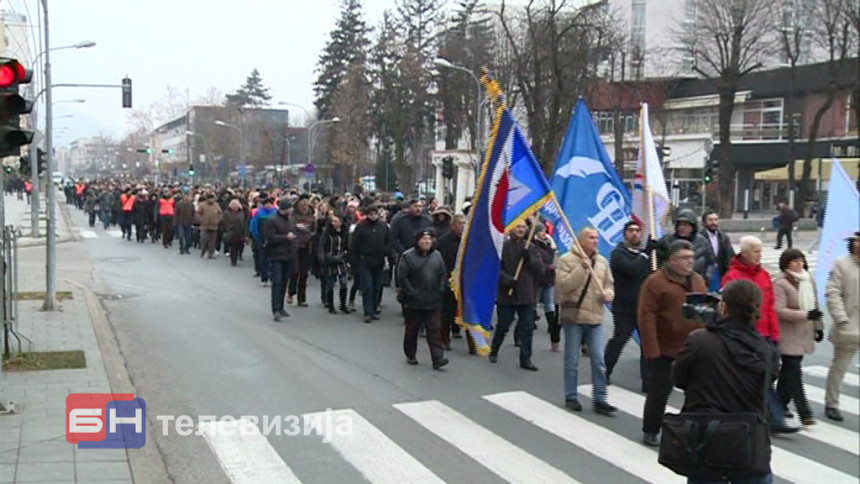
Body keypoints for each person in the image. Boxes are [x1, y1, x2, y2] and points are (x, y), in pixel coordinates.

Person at [673, 279, 778, 484]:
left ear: (724, 306)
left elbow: (678, 378)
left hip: (706, 436)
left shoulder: (699, 340)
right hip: (749, 442)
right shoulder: (767, 350)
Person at [722, 236, 798, 434]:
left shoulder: (763, 275)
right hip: (746, 336)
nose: (759, 255)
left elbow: (770, 307)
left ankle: (763, 412)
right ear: (744, 253)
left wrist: (774, 334)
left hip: (766, 335)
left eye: (760, 251)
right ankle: (774, 417)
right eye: (756, 251)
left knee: (766, 376)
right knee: (760, 376)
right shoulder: (732, 276)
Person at [638, 240, 707, 446]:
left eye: (692, 258)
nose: (690, 263)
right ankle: (651, 429)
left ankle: (690, 428)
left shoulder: (697, 281)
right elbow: (645, 316)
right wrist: (652, 349)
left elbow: (704, 310)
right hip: (665, 348)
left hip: (694, 347)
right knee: (659, 393)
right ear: (672, 260)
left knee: (697, 393)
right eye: (685, 259)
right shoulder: (655, 282)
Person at [555, 227, 615, 414]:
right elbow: (564, 286)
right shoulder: (566, 260)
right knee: (572, 360)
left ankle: (600, 398)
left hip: (595, 317)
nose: (595, 240)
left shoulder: (602, 262)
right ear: (580, 241)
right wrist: (582, 268)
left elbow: (609, 284)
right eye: (591, 237)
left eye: (597, 237)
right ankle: (571, 396)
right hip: (574, 317)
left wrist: (609, 294)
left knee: (598, 360)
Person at [773, 248, 823, 426]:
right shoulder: (781, 283)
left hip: (803, 333)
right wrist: (805, 315)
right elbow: (779, 310)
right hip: (788, 334)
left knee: (788, 372)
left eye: (801, 260)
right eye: (794, 261)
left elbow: (815, 306)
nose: (798, 264)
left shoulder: (808, 280)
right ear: (786, 264)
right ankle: (805, 412)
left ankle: (779, 404)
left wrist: (818, 327)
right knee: (794, 372)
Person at [490, 221, 546, 371]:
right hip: (507, 294)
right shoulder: (504, 247)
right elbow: (495, 268)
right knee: (503, 325)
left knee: (527, 328)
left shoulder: (531, 247)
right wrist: (507, 280)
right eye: (518, 227)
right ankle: (494, 349)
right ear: (512, 229)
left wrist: (529, 259)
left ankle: (526, 359)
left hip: (526, 294)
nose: (521, 230)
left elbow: (540, 270)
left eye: (523, 227)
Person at [605, 221, 651, 392]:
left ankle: (647, 381)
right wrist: (646, 255)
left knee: (647, 344)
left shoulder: (644, 254)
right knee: (619, 340)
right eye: (631, 230)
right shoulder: (618, 253)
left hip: (643, 306)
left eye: (638, 230)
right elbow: (632, 269)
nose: (635, 234)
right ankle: (605, 371)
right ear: (624, 234)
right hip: (624, 307)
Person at [397, 229, 449, 369]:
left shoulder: (437, 256)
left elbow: (443, 273)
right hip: (415, 302)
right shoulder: (408, 257)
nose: (427, 242)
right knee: (412, 330)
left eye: (429, 239)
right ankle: (410, 354)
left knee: (434, 330)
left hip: (433, 301)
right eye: (424, 239)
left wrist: (441, 288)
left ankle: (437, 358)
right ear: (417, 241)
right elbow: (402, 277)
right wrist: (412, 292)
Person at [823, 231, 860, 422]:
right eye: (857, 242)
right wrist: (841, 318)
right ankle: (832, 403)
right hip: (849, 324)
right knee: (840, 366)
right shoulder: (841, 263)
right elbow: (832, 292)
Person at [437, 214, 472, 352]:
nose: (462, 226)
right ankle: (444, 338)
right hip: (450, 280)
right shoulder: (444, 241)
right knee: (447, 312)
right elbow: (442, 262)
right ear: (453, 226)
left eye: (464, 224)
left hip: (466, 280)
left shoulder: (469, 241)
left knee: (468, 311)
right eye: (460, 224)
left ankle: (472, 342)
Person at [350, 204, 390, 323]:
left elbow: (389, 241)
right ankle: (367, 312)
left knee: (377, 286)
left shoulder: (383, 226)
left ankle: (373, 309)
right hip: (364, 260)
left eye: (375, 214)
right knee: (367, 287)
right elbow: (354, 245)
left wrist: (386, 252)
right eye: (371, 214)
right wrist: (354, 262)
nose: (373, 216)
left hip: (379, 260)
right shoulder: (361, 226)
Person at [264, 199, 297, 322]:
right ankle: (275, 309)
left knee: (284, 282)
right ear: (284, 208)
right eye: (289, 208)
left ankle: (281, 307)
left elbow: (292, 233)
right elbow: (270, 237)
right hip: (276, 255)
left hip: (288, 254)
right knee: (277, 282)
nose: (291, 210)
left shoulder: (290, 220)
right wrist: (285, 238)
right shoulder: (272, 220)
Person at [532, 224, 559, 352]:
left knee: (549, 303)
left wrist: (552, 247)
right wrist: (548, 267)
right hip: (539, 279)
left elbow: (552, 256)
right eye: (541, 231)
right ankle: (529, 322)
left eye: (544, 231)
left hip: (549, 279)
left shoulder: (549, 245)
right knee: (534, 302)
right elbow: (537, 262)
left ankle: (551, 326)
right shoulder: (533, 245)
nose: (544, 233)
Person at [694, 211, 735, 292]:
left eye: (715, 220)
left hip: (721, 277)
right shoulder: (698, 238)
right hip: (705, 278)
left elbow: (731, 256)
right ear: (704, 223)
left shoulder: (724, 238)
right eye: (710, 220)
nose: (714, 223)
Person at [319, 214, 350, 314]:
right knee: (330, 284)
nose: (334, 223)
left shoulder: (344, 233)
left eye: (336, 221)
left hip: (341, 260)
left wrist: (347, 255)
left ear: (341, 222)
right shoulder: (327, 233)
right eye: (333, 221)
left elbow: (348, 246)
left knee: (344, 283)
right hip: (330, 260)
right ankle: (331, 306)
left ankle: (343, 305)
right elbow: (322, 246)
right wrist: (324, 258)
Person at [288, 194, 316, 307]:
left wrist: (309, 232)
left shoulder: (311, 213)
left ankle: (301, 298)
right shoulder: (293, 213)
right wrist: (301, 227)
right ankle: (291, 292)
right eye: (303, 202)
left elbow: (314, 228)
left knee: (304, 273)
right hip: (295, 244)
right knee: (295, 271)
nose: (305, 204)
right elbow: (292, 226)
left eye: (306, 202)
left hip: (307, 244)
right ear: (299, 202)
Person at [221, 199, 247, 267]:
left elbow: (245, 221)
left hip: (241, 232)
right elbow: (224, 222)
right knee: (233, 247)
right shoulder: (227, 213)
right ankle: (233, 260)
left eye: (236, 205)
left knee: (240, 246)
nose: (235, 207)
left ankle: (239, 255)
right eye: (233, 205)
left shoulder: (242, 212)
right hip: (232, 232)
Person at [197, 193, 222, 259]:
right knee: (204, 240)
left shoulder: (216, 205)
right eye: (211, 198)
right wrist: (201, 220)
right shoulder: (202, 205)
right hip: (204, 225)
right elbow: (198, 213)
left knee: (212, 241)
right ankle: (203, 252)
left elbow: (220, 213)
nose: (212, 200)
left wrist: (218, 220)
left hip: (214, 225)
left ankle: (211, 253)